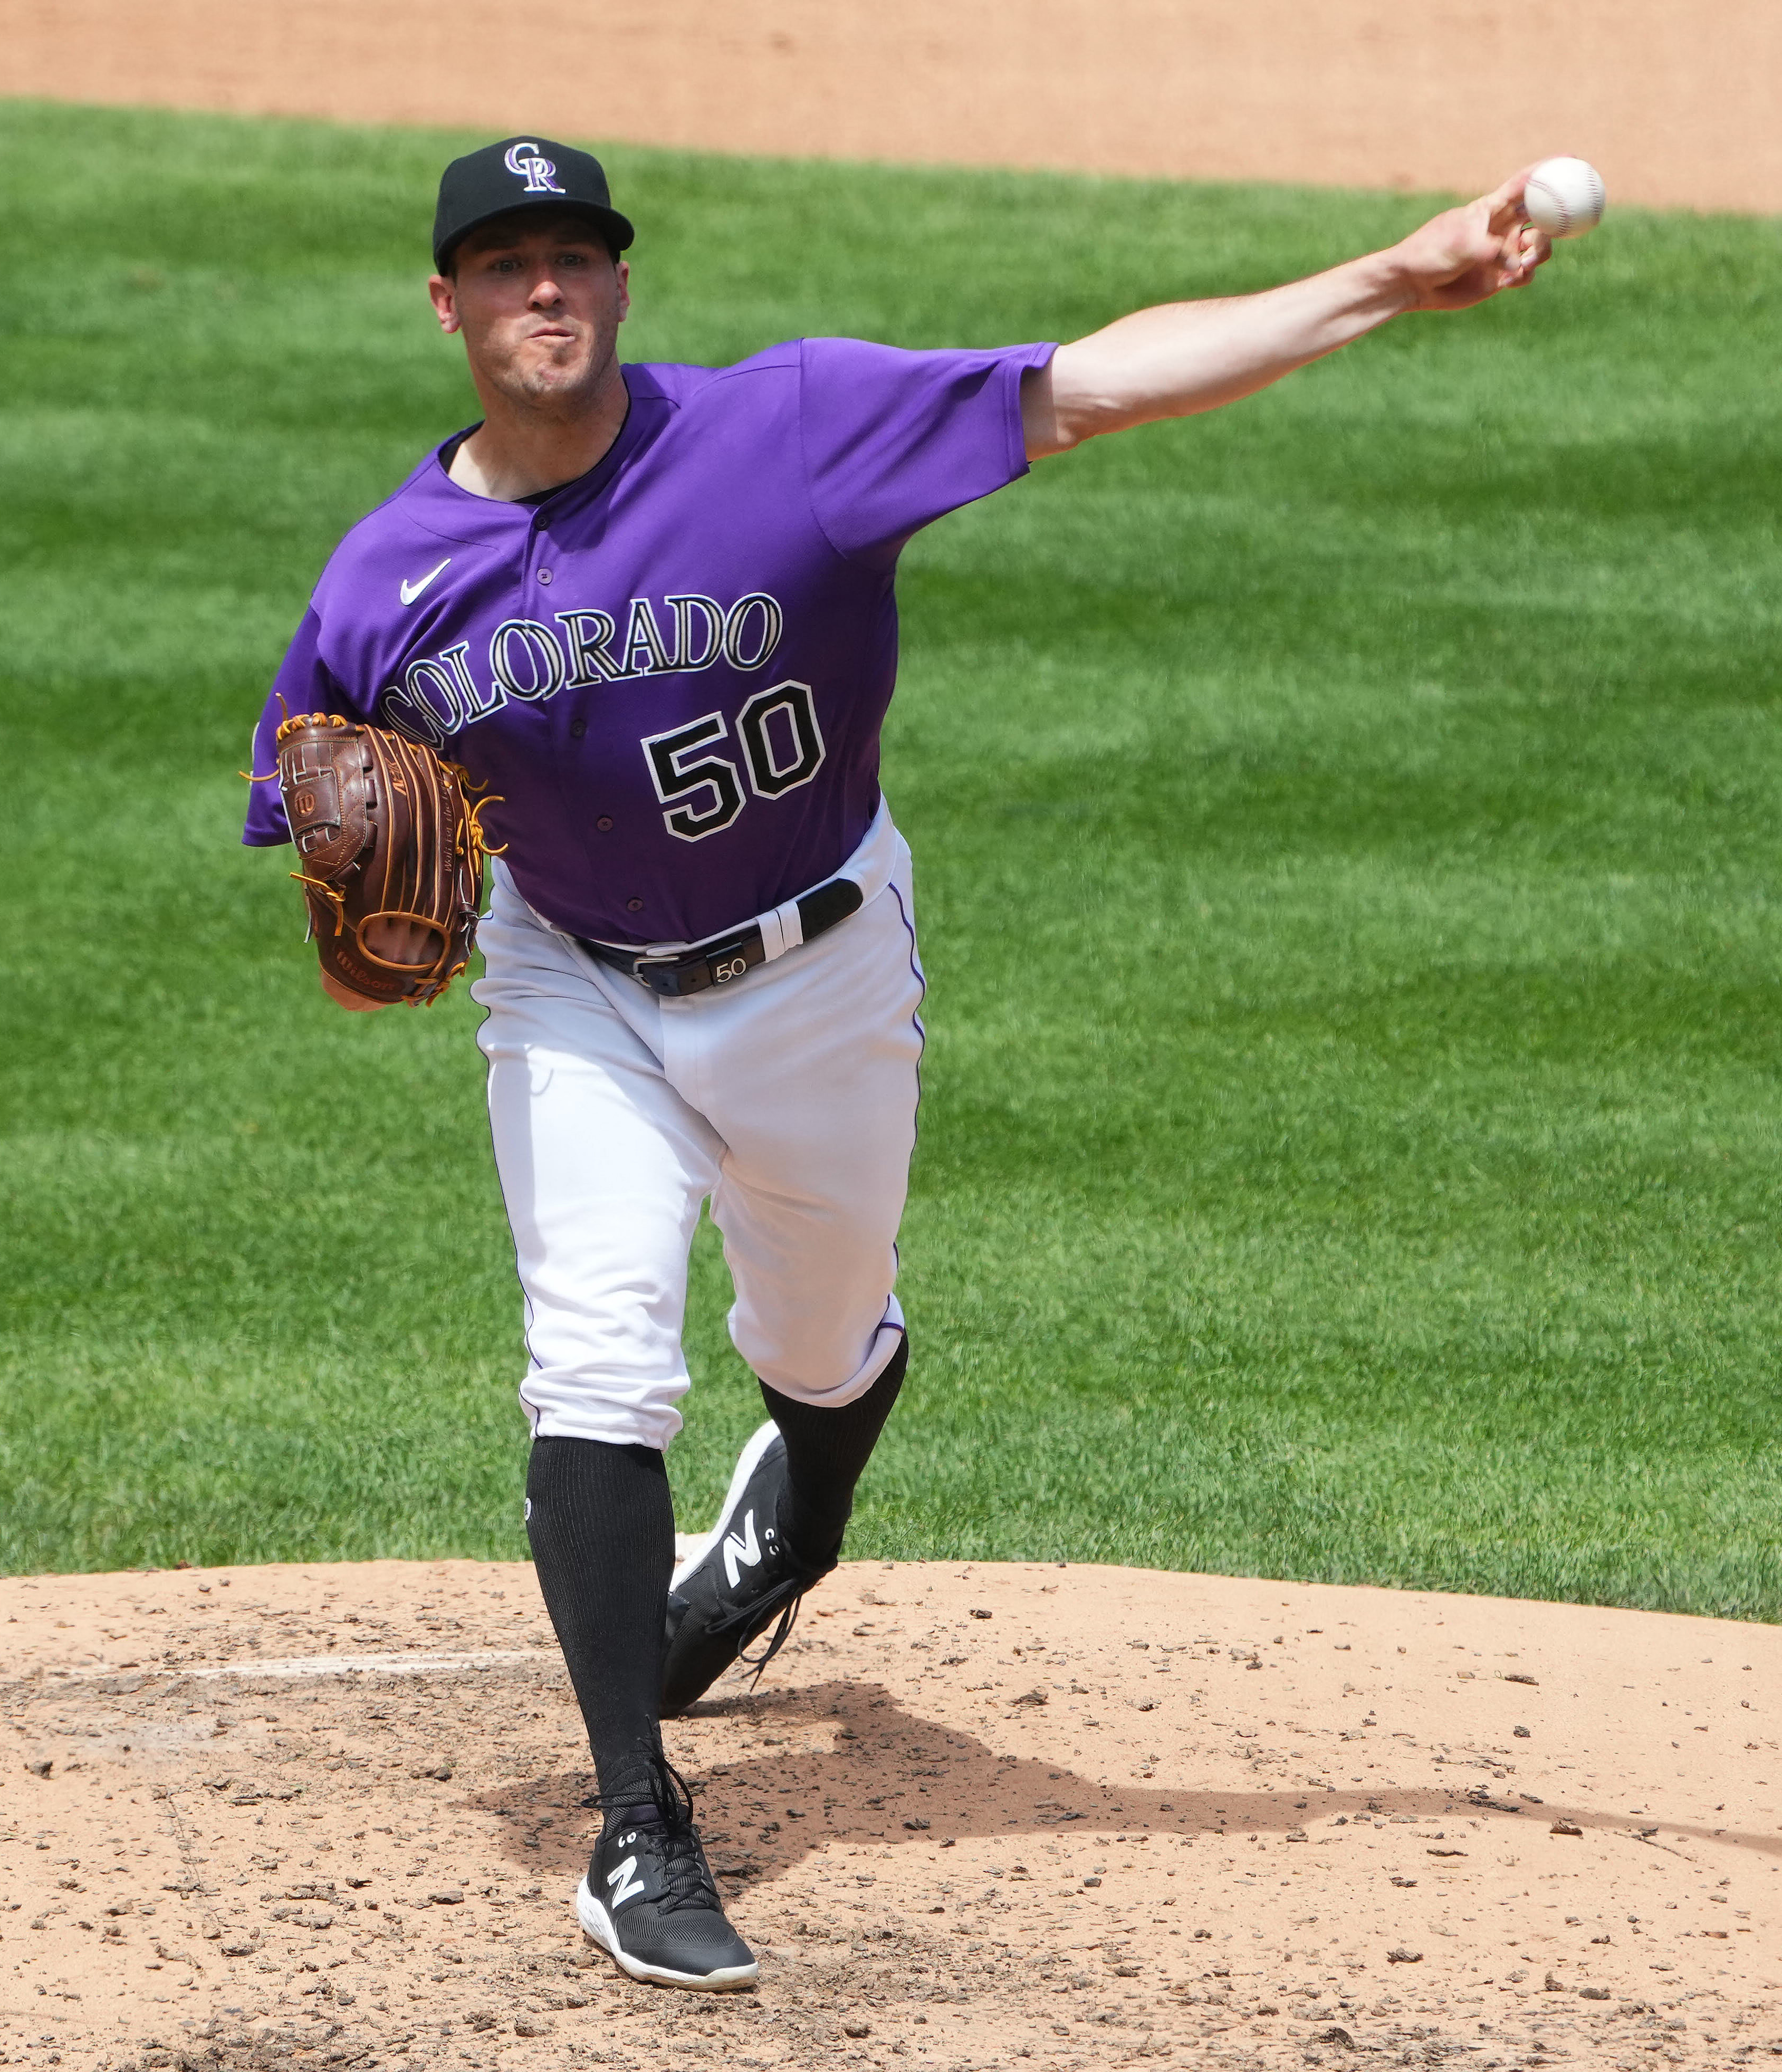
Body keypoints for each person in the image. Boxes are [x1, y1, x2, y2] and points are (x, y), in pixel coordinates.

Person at [243, 135, 1553, 1990]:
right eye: (503, 262)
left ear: (618, 286)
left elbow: (1090, 385)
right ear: (446, 302)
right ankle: (636, 1826)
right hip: (573, 985)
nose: (544, 287)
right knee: (597, 1357)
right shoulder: (386, 579)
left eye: (575, 256)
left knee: (819, 1342)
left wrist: (1382, 280)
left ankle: (798, 1510)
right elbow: (318, 801)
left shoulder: (790, 430)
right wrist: (368, 917)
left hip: (822, 972)